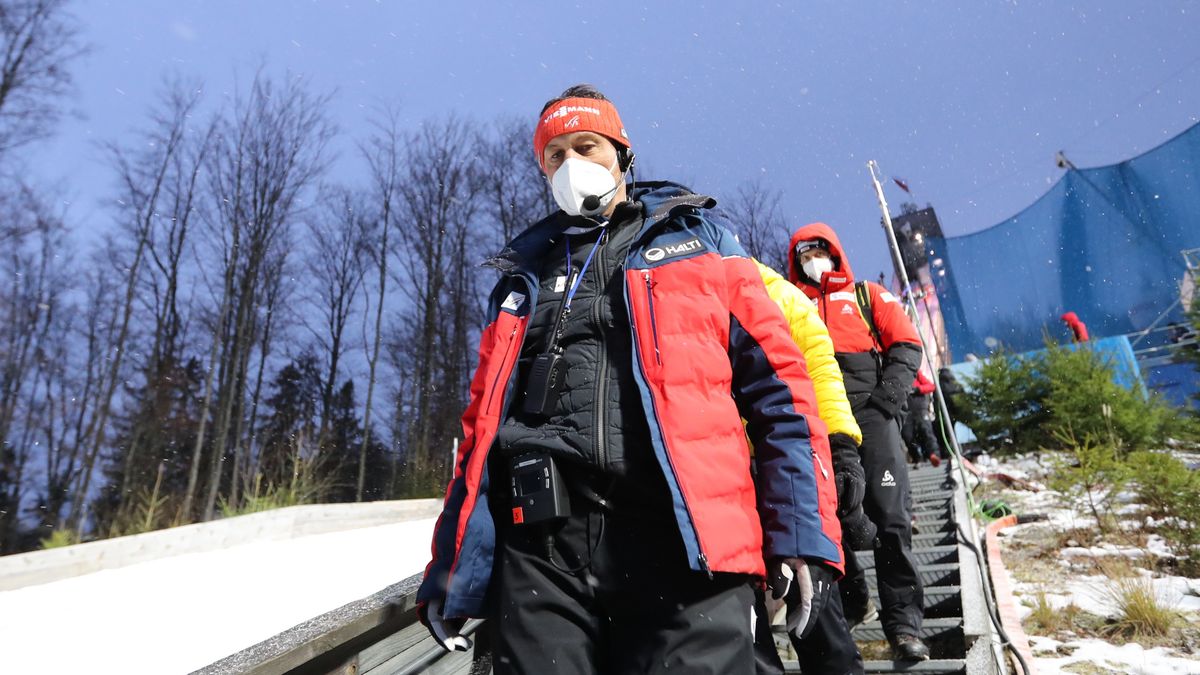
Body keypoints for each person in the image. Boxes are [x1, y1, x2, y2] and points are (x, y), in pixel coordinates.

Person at [417, 84, 843, 675]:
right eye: (554, 155)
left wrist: (801, 534)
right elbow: (481, 432)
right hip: (542, 551)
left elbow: (781, 395)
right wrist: (449, 567)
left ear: (622, 153)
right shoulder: (521, 278)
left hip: (683, 540)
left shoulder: (703, 245)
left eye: (585, 146)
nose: (570, 164)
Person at [786, 222, 930, 661]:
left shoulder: (867, 295)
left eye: (819, 252)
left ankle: (903, 626)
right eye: (804, 255)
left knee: (890, 519)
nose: (813, 261)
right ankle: (855, 600)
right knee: (829, 518)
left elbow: (906, 344)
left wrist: (886, 402)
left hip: (872, 416)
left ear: (834, 253)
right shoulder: (791, 305)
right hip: (822, 423)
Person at [752, 262, 874, 675]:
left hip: (787, 468)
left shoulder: (779, 295)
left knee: (814, 609)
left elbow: (820, 371)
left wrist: (841, 447)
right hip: (723, 473)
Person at [901, 369, 941, 466]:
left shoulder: (915, 371)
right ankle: (916, 458)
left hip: (920, 408)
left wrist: (917, 389)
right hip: (905, 410)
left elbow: (931, 386)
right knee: (907, 435)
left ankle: (934, 454)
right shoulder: (893, 373)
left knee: (926, 431)